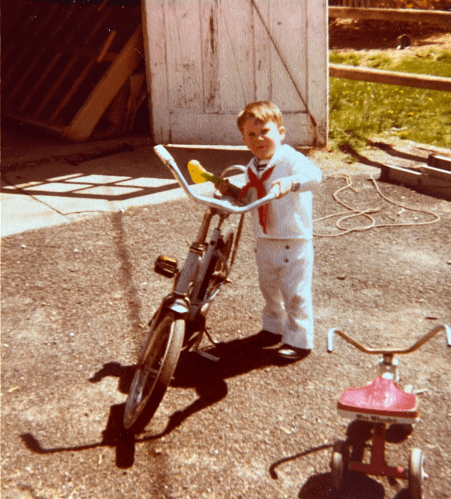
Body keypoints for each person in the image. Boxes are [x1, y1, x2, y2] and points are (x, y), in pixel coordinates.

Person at [218, 101, 322, 359]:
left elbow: (315, 176)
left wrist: (292, 182)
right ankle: (273, 328)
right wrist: (232, 191)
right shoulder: (252, 168)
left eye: (265, 131)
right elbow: (252, 197)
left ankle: (299, 340)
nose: (259, 139)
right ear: (244, 140)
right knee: (270, 289)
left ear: (281, 133)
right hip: (265, 239)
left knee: (295, 293)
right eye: (251, 134)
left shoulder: (291, 160)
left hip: (293, 239)